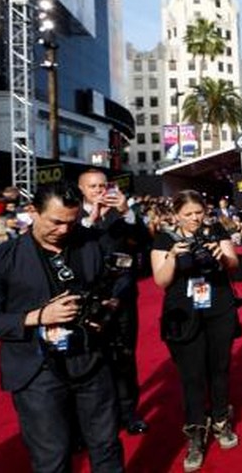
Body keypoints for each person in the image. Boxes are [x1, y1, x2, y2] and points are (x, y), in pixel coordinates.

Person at [0, 182, 125, 472]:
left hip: (90, 360)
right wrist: (39, 316)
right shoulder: (3, 258)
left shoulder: (92, 242)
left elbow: (118, 283)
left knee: (107, 448)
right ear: (33, 212)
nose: (64, 230)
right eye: (55, 222)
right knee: (52, 459)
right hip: (36, 371)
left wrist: (107, 307)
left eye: (71, 222)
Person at [150, 190, 240, 472]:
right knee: (192, 376)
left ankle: (221, 420)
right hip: (182, 312)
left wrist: (222, 257)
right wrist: (173, 258)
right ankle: (196, 433)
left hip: (219, 307)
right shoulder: (165, 239)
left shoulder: (215, 231)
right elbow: (160, 281)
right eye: (188, 214)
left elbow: (234, 264)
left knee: (220, 368)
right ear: (176, 215)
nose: (194, 219)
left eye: (198, 213)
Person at [77, 168, 148, 436]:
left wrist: (127, 211)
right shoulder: (74, 217)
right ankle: (95, 418)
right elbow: (71, 248)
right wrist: (90, 220)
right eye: (93, 186)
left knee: (125, 357)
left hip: (122, 297)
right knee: (91, 360)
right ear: (82, 189)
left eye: (102, 186)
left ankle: (128, 413)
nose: (99, 191)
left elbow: (145, 241)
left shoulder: (122, 216)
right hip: (88, 301)